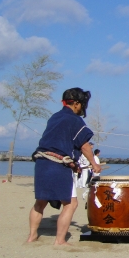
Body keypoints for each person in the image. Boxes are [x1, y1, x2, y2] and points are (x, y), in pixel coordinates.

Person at [27, 88, 101, 245]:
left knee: (40, 203)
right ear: (75, 104)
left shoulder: (54, 117)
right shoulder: (75, 120)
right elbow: (84, 145)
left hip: (42, 163)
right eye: (81, 104)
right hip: (58, 165)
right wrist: (94, 164)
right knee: (70, 204)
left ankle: (32, 236)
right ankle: (60, 240)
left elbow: (58, 142)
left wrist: (74, 164)